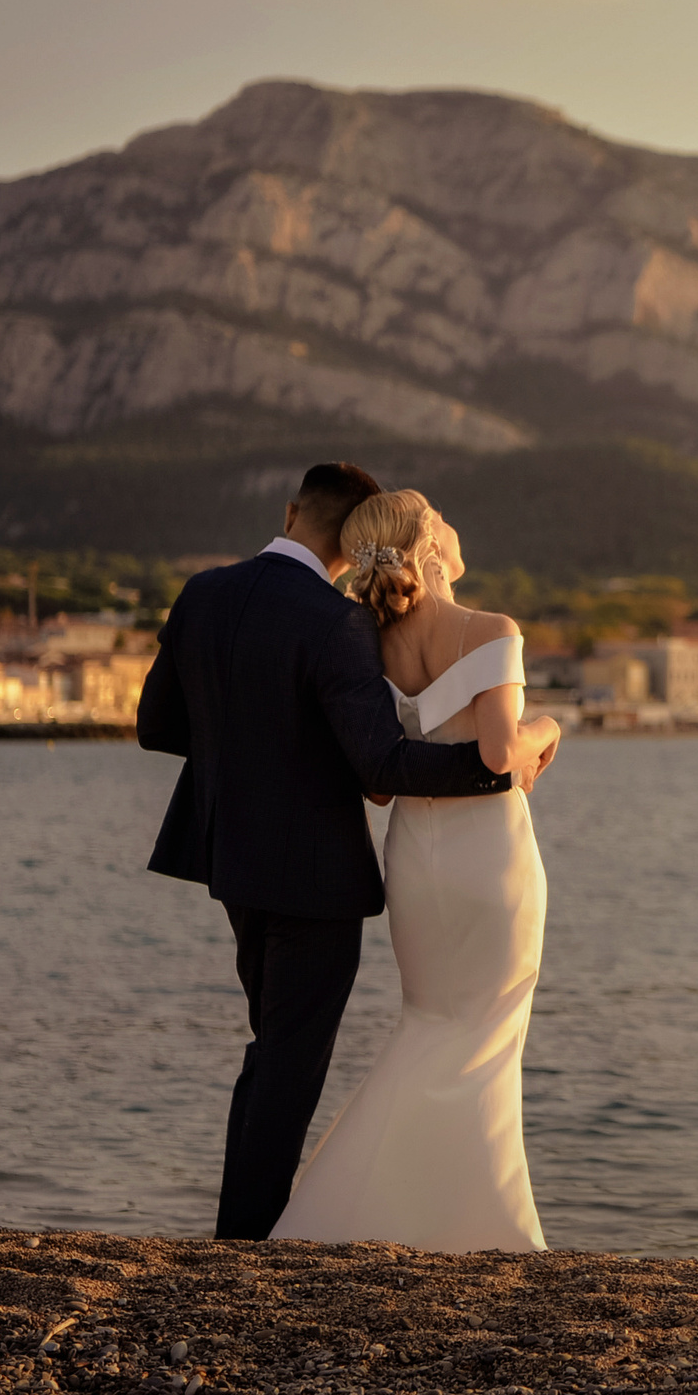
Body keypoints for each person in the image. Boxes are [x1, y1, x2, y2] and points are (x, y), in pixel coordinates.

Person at [136, 462, 544, 1241]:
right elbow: (381, 764)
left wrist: (249, 750)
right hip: (315, 874)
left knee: (272, 1048)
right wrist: (498, 771)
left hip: (231, 861)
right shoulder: (338, 623)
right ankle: (248, 1238)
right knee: (289, 1060)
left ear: (292, 510)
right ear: (359, 539)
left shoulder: (203, 593)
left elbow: (158, 724)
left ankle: (245, 1228)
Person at [268, 489, 562, 1251]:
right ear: (429, 542)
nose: (454, 525)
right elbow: (501, 754)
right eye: (441, 515)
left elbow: (378, 784)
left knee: (430, 1023)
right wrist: (550, 726)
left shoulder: (370, 643)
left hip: (415, 862)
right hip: (488, 858)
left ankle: (373, 1211)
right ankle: (485, 1224)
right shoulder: (493, 630)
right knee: (489, 1029)